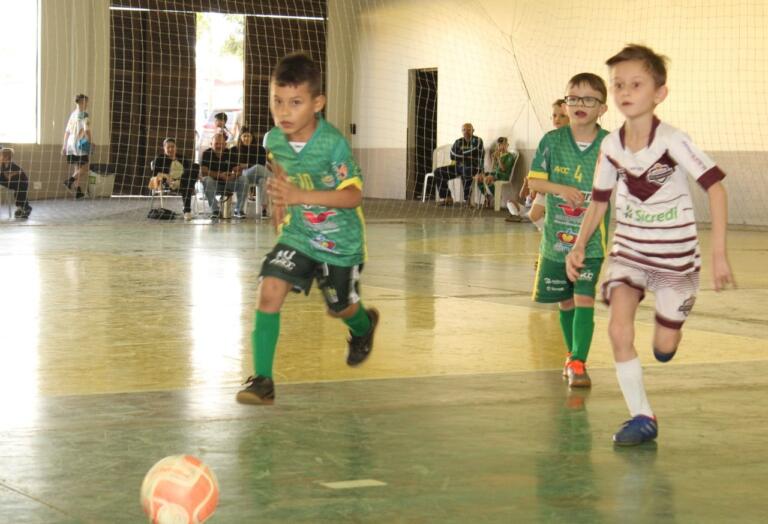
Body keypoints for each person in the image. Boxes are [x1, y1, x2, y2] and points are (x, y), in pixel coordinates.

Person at [565, 45, 734, 446]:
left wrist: (719, 253)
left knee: (663, 347)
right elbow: (600, 201)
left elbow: (717, 189)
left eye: (636, 84)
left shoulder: (673, 141)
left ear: (659, 93)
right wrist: (578, 244)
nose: (625, 91)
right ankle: (642, 415)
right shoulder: (611, 148)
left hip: (676, 259)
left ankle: (672, 325)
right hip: (630, 253)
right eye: (618, 84)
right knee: (618, 327)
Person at [236, 52, 379, 405]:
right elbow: (280, 167)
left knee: (341, 307)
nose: (284, 112)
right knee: (269, 290)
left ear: (317, 103)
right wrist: (282, 198)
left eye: (295, 103)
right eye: (278, 102)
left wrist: (300, 194)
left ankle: (363, 327)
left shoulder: (332, 144)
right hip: (299, 234)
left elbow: (354, 197)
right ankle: (262, 380)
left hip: (340, 243)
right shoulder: (273, 140)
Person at [527, 73, 609, 389]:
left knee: (584, 297)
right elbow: (534, 182)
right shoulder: (552, 141)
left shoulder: (609, 144)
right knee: (566, 302)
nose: (579, 104)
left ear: (602, 108)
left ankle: (578, 361)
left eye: (589, 99)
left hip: (590, 243)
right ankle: (570, 354)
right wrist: (561, 189)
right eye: (573, 98)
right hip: (556, 240)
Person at [517, 99, 570, 227]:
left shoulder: (573, 140)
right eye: (554, 115)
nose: (557, 119)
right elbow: (542, 165)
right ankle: (547, 236)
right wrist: (539, 185)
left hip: (565, 187)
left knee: (564, 220)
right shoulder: (549, 139)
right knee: (534, 215)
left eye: (562, 116)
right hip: (547, 187)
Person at [433, 123, 484, 205]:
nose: (466, 132)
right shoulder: (458, 141)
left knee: (467, 170)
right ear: (461, 131)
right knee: (438, 172)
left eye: (469, 130)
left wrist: (460, 154)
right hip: (458, 167)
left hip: (473, 167)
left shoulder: (478, 141)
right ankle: (447, 198)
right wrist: (467, 156)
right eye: (464, 130)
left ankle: (467, 200)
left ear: (473, 130)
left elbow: (475, 150)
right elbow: (452, 155)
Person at [149, 138, 197, 220]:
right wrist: (166, 176)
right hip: (169, 183)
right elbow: (155, 174)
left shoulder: (182, 158)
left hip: (183, 181)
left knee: (195, 167)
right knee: (188, 185)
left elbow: (189, 171)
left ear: (176, 148)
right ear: (164, 148)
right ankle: (187, 211)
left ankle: (181, 183)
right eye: (168, 147)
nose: (171, 149)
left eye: (173, 147)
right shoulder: (160, 158)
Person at [230, 126, 270, 219]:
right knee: (257, 167)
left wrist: (245, 165)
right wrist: (247, 166)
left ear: (253, 137)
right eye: (244, 136)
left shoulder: (260, 149)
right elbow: (235, 166)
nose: (247, 138)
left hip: (258, 175)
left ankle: (264, 210)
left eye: (249, 136)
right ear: (240, 137)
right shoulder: (234, 150)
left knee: (263, 181)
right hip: (242, 176)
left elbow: (262, 164)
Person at [200, 131, 241, 219]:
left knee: (243, 179)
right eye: (216, 144)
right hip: (213, 185)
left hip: (229, 183)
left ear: (225, 144)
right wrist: (220, 175)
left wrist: (233, 175)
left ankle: (239, 210)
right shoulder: (206, 154)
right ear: (211, 144)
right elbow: (204, 172)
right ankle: (215, 210)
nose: (219, 146)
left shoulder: (231, 153)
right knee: (206, 179)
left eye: (221, 144)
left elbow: (238, 170)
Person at [61, 94, 92, 200]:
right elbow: (86, 130)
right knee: (84, 168)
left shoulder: (73, 114)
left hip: (70, 143)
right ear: (81, 102)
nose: (87, 104)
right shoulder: (84, 114)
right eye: (86, 102)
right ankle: (69, 181)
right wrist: (90, 141)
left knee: (77, 167)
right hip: (80, 143)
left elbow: (67, 131)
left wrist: (64, 145)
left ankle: (78, 191)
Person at [473, 136, 517, 207]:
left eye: (503, 144)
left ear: (507, 145)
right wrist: (493, 159)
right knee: (477, 177)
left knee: (488, 178)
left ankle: (497, 195)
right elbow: (493, 168)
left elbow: (503, 169)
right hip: (495, 174)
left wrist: (498, 158)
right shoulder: (498, 154)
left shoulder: (510, 156)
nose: (501, 146)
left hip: (503, 175)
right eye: (499, 145)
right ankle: (487, 197)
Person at [0, 148, 32, 218]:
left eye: (1, 156)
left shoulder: (12, 165)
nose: (0, 157)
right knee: (17, 193)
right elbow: (4, 176)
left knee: (20, 193)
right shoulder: (2, 165)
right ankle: (20, 208)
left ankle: (26, 207)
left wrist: (11, 174)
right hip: (13, 182)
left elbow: (20, 172)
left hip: (22, 182)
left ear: (6, 157)